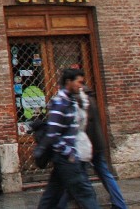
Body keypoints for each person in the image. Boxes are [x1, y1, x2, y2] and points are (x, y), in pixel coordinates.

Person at [36, 68, 99, 209]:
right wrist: (68, 153)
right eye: (79, 82)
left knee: (51, 197)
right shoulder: (60, 103)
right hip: (66, 158)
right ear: (68, 82)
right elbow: (53, 133)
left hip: (65, 157)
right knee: (85, 194)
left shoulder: (70, 101)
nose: (81, 86)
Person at [56, 86, 127, 209]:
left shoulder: (79, 100)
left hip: (87, 146)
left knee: (78, 178)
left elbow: (82, 126)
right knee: (105, 174)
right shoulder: (91, 98)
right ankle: (119, 203)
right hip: (97, 143)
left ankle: (88, 203)